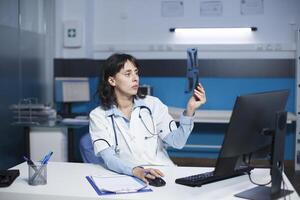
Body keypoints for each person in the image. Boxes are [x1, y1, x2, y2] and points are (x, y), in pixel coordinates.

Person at [80, 53, 206, 184]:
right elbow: (109, 158)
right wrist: (136, 171)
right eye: (128, 74)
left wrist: (190, 110)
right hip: (127, 175)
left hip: (162, 172)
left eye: (136, 73)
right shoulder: (98, 115)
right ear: (112, 81)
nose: (135, 78)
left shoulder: (153, 105)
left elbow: (177, 142)